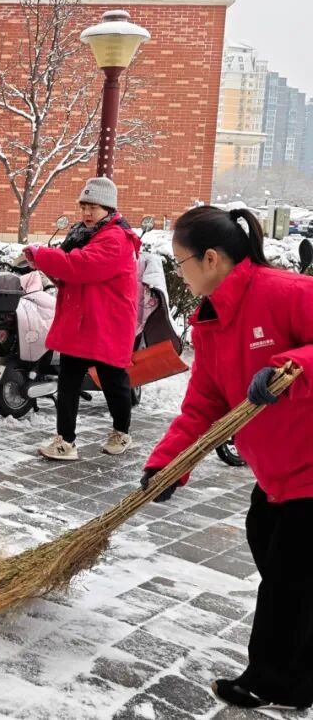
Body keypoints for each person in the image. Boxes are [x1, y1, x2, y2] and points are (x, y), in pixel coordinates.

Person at [142, 206, 313, 711]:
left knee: (287, 582)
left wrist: (292, 366)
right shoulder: (212, 324)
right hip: (278, 475)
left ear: (211, 258)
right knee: (275, 554)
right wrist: (167, 464)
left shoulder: (286, 292)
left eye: (181, 262)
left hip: (310, 469)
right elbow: (203, 405)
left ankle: (276, 683)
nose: (179, 274)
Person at [22, 176, 140, 460]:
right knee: (68, 381)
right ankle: (65, 441)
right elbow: (69, 272)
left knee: (113, 382)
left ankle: (121, 432)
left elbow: (81, 266)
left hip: (107, 322)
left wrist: (43, 256)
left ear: (108, 208)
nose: (87, 213)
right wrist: (46, 265)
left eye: (93, 207)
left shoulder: (116, 238)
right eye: (84, 206)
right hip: (81, 320)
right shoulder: (82, 233)